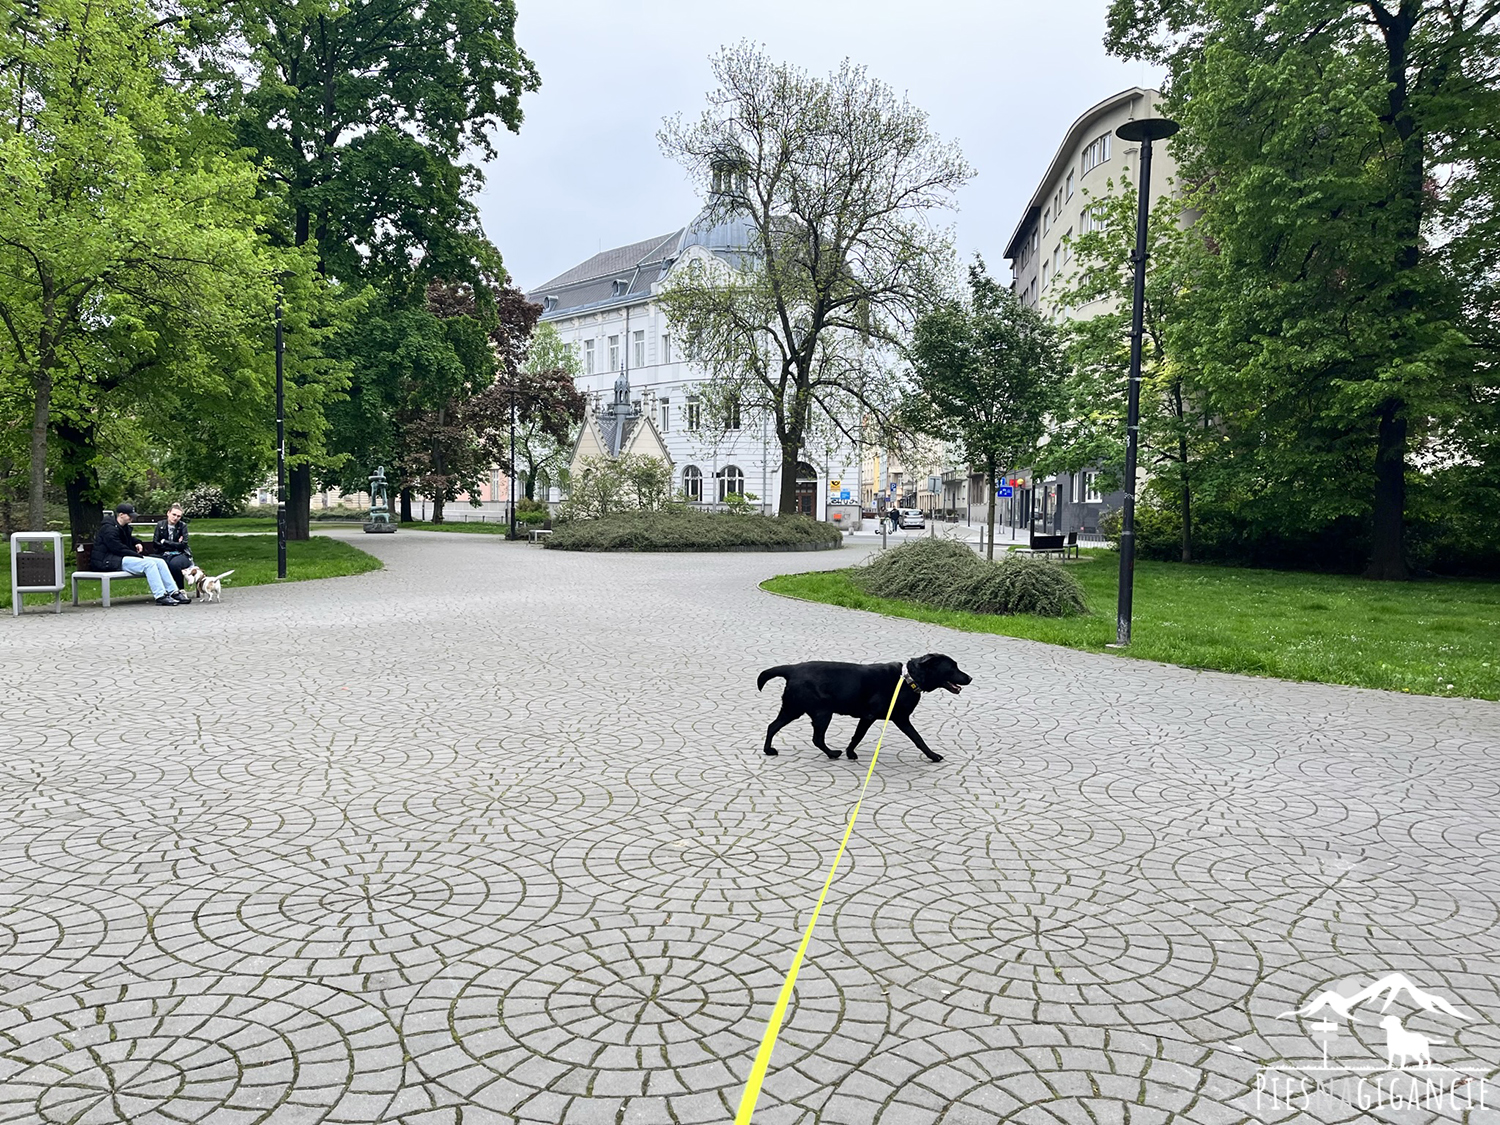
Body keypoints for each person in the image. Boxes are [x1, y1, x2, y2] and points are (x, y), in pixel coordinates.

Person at [91, 504, 188, 606]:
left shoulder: (122, 527)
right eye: (130, 515)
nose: (132, 518)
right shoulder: (109, 529)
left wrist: (137, 542)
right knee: (148, 564)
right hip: (107, 560)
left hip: (119, 558)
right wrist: (137, 556)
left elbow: (128, 539)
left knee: (160, 562)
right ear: (121, 515)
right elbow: (118, 548)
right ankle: (160, 596)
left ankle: (174, 592)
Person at [154, 503, 194, 590]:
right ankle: (167, 590)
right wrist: (175, 544)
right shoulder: (160, 525)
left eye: (178, 516)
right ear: (168, 513)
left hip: (181, 554)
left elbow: (183, 545)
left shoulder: (182, 526)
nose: (175, 518)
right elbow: (156, 543)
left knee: (174, 565)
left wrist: (165, 542)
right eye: (174, 514)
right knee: (157, 562)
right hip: (164, 554)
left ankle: (180, 590)